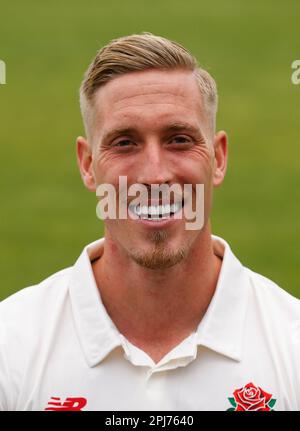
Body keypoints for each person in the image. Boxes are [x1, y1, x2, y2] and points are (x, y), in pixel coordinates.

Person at [0, 33, 299, 412]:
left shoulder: (292, 346)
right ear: (88, 164)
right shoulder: (10, 347)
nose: (155, 176)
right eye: (124, 143)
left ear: (218, 158)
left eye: (178, 139)